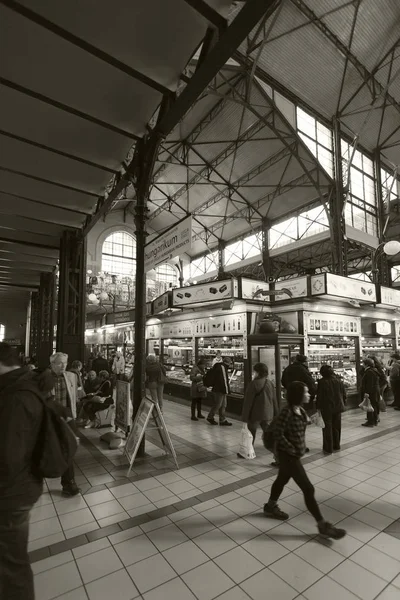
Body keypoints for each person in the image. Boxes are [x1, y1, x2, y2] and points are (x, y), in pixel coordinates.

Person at [0, 343, 53, 600]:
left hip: (12, 493)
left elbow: (8, 455)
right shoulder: (22, 387)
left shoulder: (16, 395)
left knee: (12, 565)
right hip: (21, 487)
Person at [263, 381, 346, 540]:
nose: (309, 394)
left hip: (293, 455)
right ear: (298, 395)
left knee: (281, 480)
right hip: (289, 456)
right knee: (308, 489)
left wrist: (314, 419)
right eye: (306, 392)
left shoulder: (299, 410)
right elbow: (278, 434)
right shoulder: (286, 412)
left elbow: (303, 423)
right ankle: (322, 525)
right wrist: (291, 448)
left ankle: (270, 506)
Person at [49, 353, 80, 496]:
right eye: (60, 363)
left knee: (69, 448)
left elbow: (73, 397)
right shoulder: (44, 378)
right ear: (52, 364)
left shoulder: (71, 377)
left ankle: (69, 482)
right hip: (52, 419)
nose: (63, 366)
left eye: (65, 363)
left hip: (67, 418)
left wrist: (72, 415)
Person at [242, 362, 279, 463]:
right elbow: (274, 399)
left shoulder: (253, 384)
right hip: (268, 414)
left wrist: (245, 418)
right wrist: (276, 413)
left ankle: (249, 451)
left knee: (251, 433)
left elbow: (248, 403)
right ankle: (277, 453)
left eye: (254, 371)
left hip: (255, 414)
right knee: (269, 434)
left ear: (257, 372)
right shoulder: (270, 383)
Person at [316, 365, 346, 454]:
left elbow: (320, 396)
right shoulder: (339, 381)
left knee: (327, 427)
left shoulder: (322, 382)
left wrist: (318, 407)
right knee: (336, 427)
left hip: (326, 407)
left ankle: (328, 447)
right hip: (338, 406)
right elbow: (344, 394)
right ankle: (336, 445)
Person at [207, 356, 232, 426]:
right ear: (228, 363)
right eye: (230, 363)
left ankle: (222, 420)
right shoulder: (222, 367)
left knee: (223, 405)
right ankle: (210, 417)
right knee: (218, 405)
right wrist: (227, 390)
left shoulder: (219, 366)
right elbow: (224, 380)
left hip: (220, 389)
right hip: (220, 389)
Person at [360, 357, 380, 426]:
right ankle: (375, 420)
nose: (362, 365)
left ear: (366, 364)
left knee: (370, 405)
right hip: (375, 391)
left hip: (371, 392)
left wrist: (367, 393)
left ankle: (370, 421)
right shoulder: (374, 370)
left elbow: (369, 384)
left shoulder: (369, 372)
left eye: (363, 363)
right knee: (373, 405)